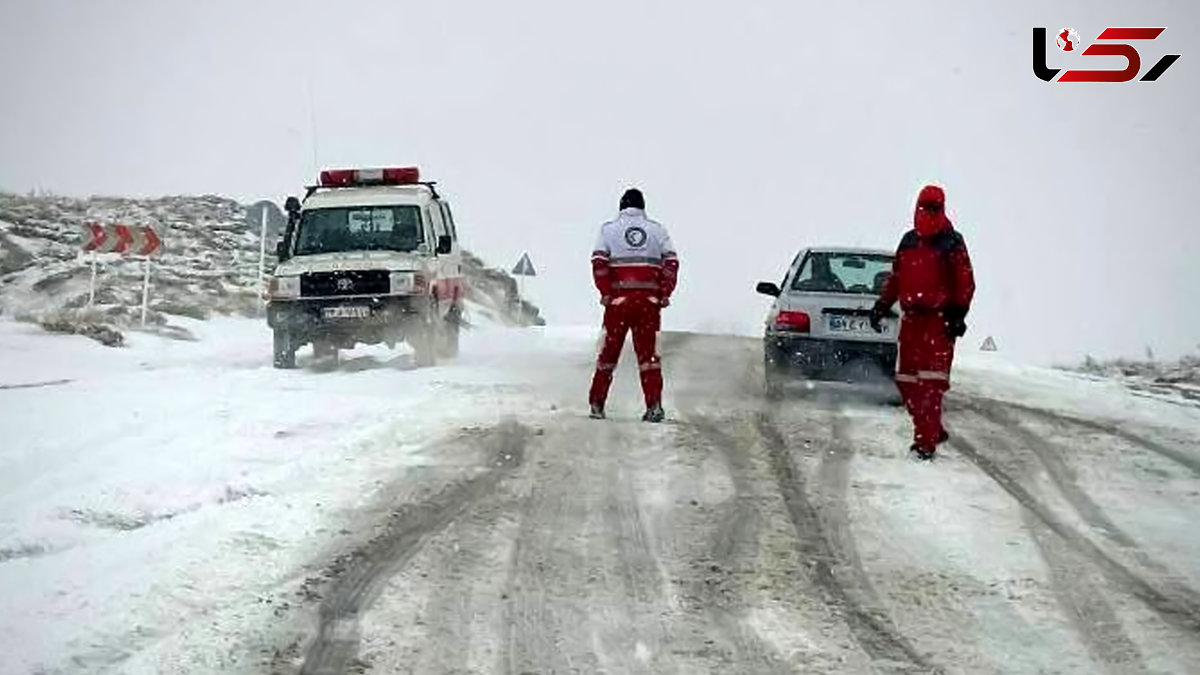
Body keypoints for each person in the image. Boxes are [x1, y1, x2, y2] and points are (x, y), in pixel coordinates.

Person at [870, 184, 975, 460]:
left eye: (935, 207)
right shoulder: (908, 242)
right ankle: (932, 429)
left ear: (942, 208)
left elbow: (965, 281)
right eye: (925, 207)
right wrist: (881, 305)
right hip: (912, 322)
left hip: (938, 323)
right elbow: (896, 278)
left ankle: (925, 443)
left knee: (931, 385)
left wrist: (957, 315)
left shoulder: (952, 242)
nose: (929, 213)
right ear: (916, 207)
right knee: (907, 382)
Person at [588, 188, 679, 422]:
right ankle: (654, 405)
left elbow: (598, 262)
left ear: (621, 207)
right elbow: (672, 262)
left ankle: (597, 404)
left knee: (608, 354)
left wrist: (606, 292)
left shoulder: (608, 230)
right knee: (649, 358)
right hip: (648, 304)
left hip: (617, 304)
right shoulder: (658, 231)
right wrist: (663, 293)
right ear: (643, 207)